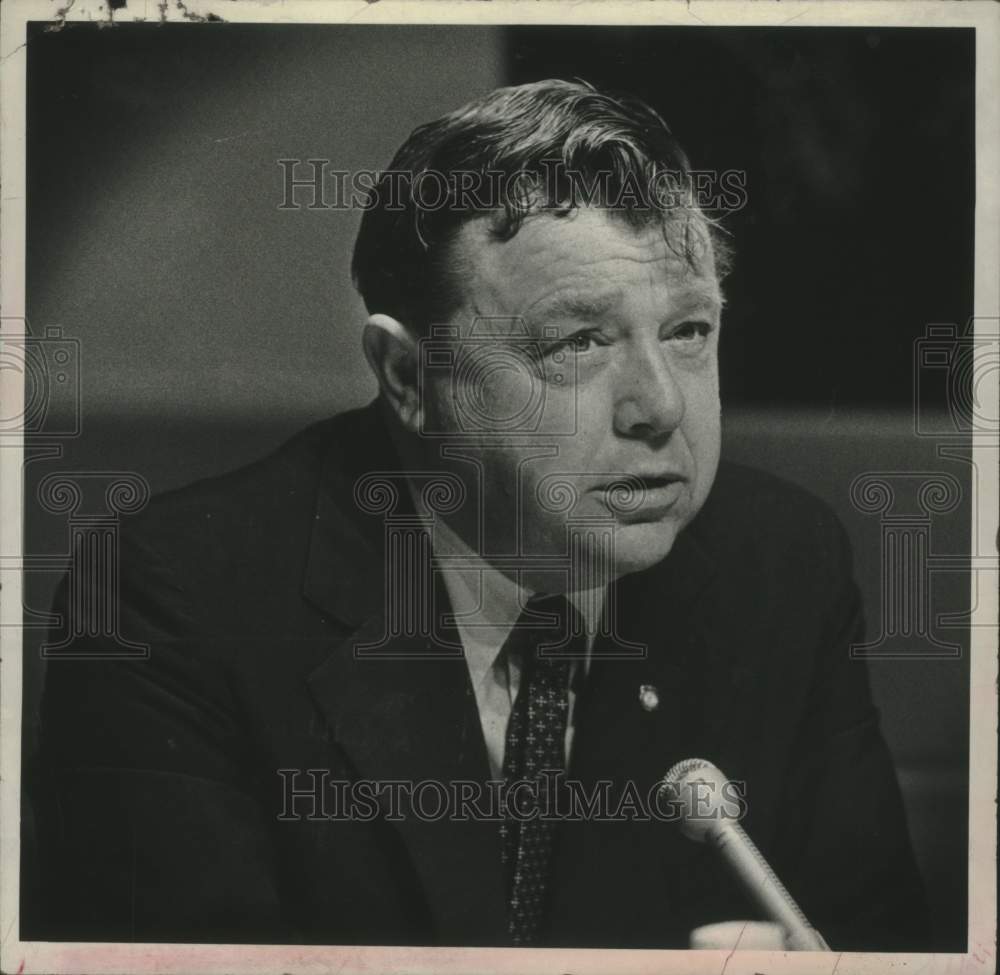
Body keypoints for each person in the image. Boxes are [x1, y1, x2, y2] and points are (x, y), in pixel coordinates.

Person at [33, 79, 929, 950]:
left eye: (689, 331)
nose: (659, 407)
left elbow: (870, 940)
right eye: (578, 341)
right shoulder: (173, 602)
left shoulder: (781, 564)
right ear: (408, 378)